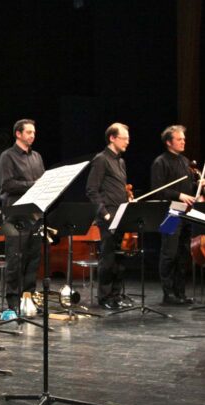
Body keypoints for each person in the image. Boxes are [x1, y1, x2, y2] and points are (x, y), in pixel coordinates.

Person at [0, 119, 44, 311]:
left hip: (34, 214)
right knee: (15, 259)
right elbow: (7, 184)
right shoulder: (7, 156)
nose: (32, 135)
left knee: (33, 260)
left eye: (33, 132)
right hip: (16, 215)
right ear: (18, 134)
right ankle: (13, 300)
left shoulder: (37, 157)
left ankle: (28, 298)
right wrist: (34, 185)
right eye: (29, 132)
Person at [150, 124, 199, 305]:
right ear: (169, 142)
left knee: (183, 253)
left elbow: (189, 187)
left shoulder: (185, 162)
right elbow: (157, 191)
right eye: (179, 139)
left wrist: (199, 185)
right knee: (169, 252)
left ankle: (180, 293)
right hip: (171, 211)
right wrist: (179, 195)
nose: (183, 141)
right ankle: (168, 293)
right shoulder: (160, 162)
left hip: (186, 212)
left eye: (184, 139)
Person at [85, 123, 131, 310]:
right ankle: (104, 297)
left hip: (121, 215)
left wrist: (128, 196)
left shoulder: (120, 161)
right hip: (108, 217)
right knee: (108, 259)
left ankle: (116, 295)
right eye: (124, 138)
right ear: (112, 138)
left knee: (120, 259)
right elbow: (91, 190)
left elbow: (118, 188)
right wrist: (104, 214)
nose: (128, 141)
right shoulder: (101, 159)